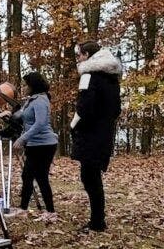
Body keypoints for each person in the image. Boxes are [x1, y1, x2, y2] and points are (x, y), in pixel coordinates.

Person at [70, 41, 122, 233]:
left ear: (87, 55)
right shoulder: (112, 79)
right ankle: (98, 219)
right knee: (93, 176)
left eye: (80, 55)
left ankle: (97, 222)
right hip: (105, 132)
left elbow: (84, 107)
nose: (78, 59)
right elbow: (116, 109)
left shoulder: (88, 76)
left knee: (89, 177)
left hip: (90, 134)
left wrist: (73, 125)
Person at [5, 72, 58, 222]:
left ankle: (51, 212)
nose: (24, 87)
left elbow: (40, 124)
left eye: (26, 84)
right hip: (34, 144)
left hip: (44, 144)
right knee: (27, 176)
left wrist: (22, 138)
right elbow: (22, 115)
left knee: (41, 178)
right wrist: (8, 114)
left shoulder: (41, 100)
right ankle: (23, 209)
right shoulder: (32, 100)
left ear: (33, 86)